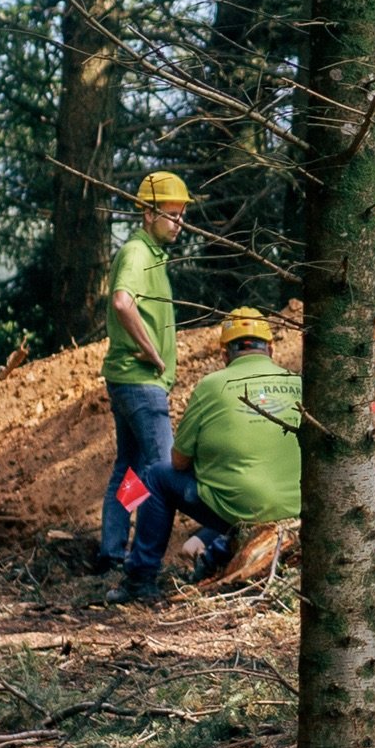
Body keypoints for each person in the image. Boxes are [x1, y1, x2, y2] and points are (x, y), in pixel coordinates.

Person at [126, 309, 301, 603]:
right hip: (297, 509)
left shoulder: (211, 386)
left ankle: (138, 580)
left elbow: (179, 461)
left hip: (243, 512)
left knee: (154, 476)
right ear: (270, 348)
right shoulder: (300, 383)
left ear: (224, 353)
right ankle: (217, 553)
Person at [97, 170, 194, 593]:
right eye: (172, 214)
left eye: (183, 214)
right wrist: (153, 352)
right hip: (139, 382)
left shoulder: (151, 252)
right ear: (149, 212)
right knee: (161, 471)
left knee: (132, 470)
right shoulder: (137, 252)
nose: (180, 222)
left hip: (127, 382)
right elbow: (122, 301)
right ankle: (143, 571)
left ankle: (113, 550)